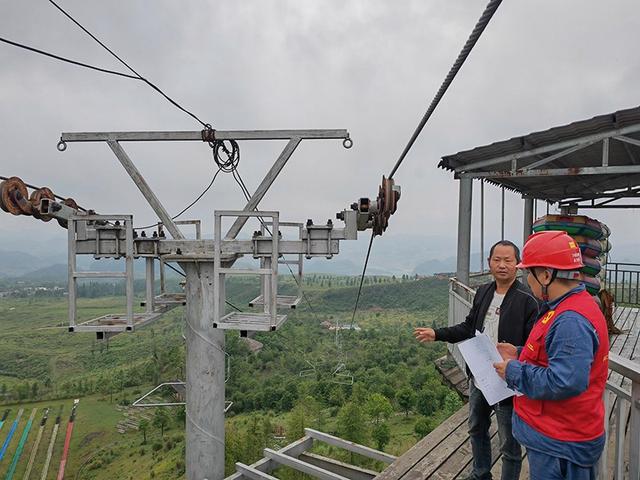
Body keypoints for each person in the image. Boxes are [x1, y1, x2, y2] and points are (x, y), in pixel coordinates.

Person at [415, 240, 538, 480]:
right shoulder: (484, 292)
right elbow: (469, 327)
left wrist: (517, 355)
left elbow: (535, 345)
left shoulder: (528, 299)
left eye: (508, 260)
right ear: (489, 263)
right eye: (497, 260)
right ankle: (480, 473)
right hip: (480, 375)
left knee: (509, 443)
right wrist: (437, 333)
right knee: (476, 427)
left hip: (507, 381)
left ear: (518, 265)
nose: (502, 265)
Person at [493, 231, 609, 480]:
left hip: (560, 442)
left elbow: (564, 381)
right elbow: (555, 356)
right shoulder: (569, 306)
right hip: (557, 435)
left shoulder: (570, 321)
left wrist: (513, 370)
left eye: (529, 274)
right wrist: (520, 353)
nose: (528, 282)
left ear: (546, 275)